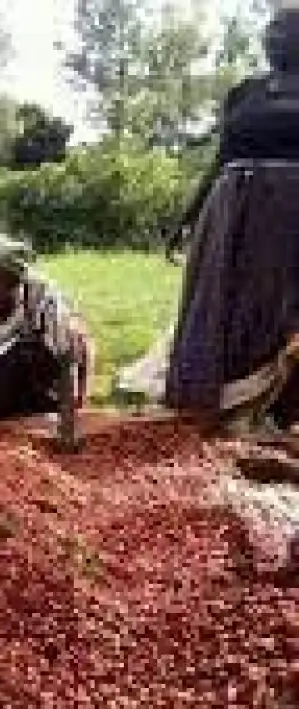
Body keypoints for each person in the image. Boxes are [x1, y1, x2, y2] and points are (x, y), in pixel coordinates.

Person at [165, 5, 299, 428]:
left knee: (279, 308)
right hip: (233, 212)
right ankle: (231, 404)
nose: (273, 38)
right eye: (271, 31)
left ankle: (281, 404)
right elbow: (222, 156)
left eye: (284, 31)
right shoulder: (245, 93)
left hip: (291, 216)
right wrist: (189, 217)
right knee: (228, 308)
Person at [0, 237, 92, 422]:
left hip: (43, 369)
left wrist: (68, 422)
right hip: (9, 368)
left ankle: (43, 405)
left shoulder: (45, 300)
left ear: (14, 285)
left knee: (39, 349)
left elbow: (67, 360)